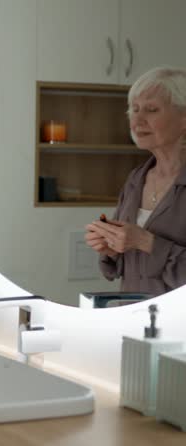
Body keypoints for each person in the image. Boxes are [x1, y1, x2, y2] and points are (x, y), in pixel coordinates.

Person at [86, 66, 186, 295]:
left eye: (151, 110)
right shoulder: (136, 179)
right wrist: (111, 247)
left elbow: (144, 245)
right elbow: (125, 264)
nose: (137, 120)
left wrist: (146, 242)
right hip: (134, 316)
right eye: (134, 109)